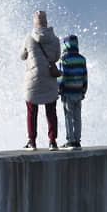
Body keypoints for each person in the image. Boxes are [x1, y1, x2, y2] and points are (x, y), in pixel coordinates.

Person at [19, 10, 61, 150]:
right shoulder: (55, 39)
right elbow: (56, 57)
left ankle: (32, 141)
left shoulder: (28, 38)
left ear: (35, 23)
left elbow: (22, 56)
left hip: (33, 81)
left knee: (32, 111)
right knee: (51, 111)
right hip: (49, 80)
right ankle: (52, 142)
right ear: (46, 21)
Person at [58, 34, 88, 149]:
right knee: (77, 116)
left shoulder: (64, 59)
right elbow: (85, 76)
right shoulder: (82, 59)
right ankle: (77, 140)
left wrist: (59, 90)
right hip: (78, 92)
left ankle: (70, 141)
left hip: (68, 92)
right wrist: (84, 90)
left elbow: (61, 76)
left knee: (68, 116)